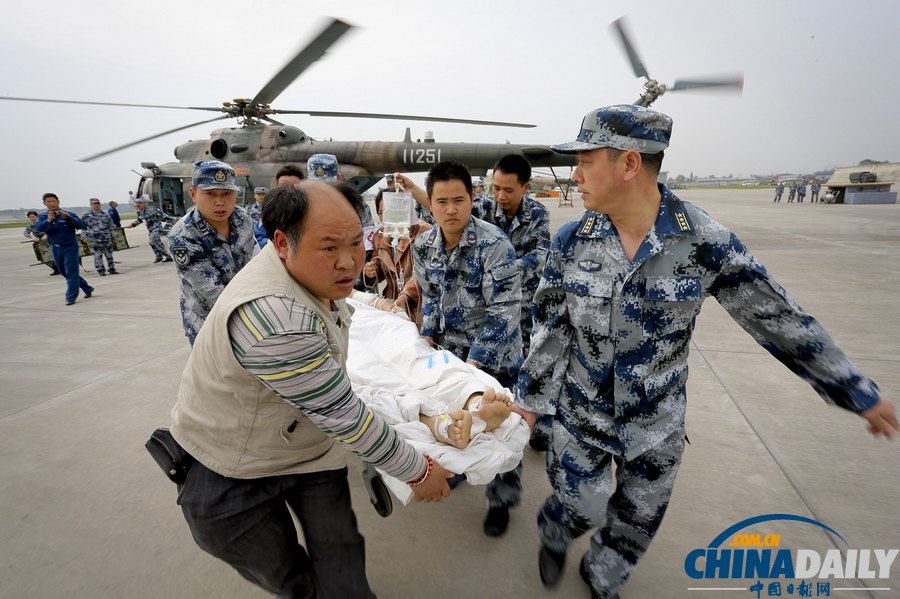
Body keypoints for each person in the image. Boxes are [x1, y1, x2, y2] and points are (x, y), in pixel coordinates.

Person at [512, 104, 899, 599]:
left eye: (587, 160)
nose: (576, 174)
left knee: (635, 525)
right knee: (580, 505)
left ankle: (602, 575)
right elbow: (550, 329)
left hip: (656, 426)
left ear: (629, 164)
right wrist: (527, 402)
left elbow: (779, 319)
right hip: (581, 415)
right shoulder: (570, 242)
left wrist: (855, 390)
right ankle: (556, 532)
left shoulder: (704, 242)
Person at [169, 181, 453, 599]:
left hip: (309, 449)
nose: (349, 262)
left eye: (357, 243)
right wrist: (418, 471)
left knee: (341, 554)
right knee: (290, 577)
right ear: (283, 243)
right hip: (233, 468)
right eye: (329, 248)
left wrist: (375, 304)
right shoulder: (274, 320)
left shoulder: (307, 272)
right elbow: (344, 415)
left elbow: (336, 374)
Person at [412, 160, 524, 537]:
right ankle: (463, 469)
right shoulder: (424, 245)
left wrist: (474, 365)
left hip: (496, 357)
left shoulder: (495, 245)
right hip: (451, 355)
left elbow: (505, 312)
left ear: (472, 198)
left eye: (458, 199)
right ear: (429, 202)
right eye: (441, 201)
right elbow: (428, 298)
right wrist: (426, 336)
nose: (450, 209)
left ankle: (501, 500)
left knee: (503, 429)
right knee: (460, 421)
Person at [167, 160, 256, 346]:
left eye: (227, 194)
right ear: (193, 194)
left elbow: (255, 261)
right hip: (208, 322)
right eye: (210, 194)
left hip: (247, 312)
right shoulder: (183, 236)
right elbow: (212, 291)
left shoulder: (242, 219)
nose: (220, 202)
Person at [360, 189, 431, 322]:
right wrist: (371, 271)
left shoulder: (423, 233)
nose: (386, 216)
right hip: (392, 305)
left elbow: (424, 274)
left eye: (390, 210)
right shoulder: (380, 236)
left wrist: (405, 296)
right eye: (381, 213)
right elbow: (380, 267)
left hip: (419, 308)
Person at [34, 193, 94, 305]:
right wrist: (48, 221)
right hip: (56, 248)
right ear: (45, 203)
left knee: (71, 272)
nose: (52, 203)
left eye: (54, 201)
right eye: (49, 202)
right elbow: (38, 229)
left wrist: (68, 218)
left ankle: (70, 297)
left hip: (70, 247)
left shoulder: (68, 214)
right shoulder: (43, 216)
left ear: (58, 201)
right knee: (63, 272)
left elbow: (82, 225)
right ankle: (87, 288)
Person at [127, 196, 176, 262]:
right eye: (136, 206)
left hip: (157, 228)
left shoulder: (151, 209)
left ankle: (169, 255)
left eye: (138, 205)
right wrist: (133, 224)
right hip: (150, 229)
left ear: (143, 203)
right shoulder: (139, 212)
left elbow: (162, 215)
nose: (137, 207)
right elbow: (140, 220)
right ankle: (159, 256)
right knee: (158, 243)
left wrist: (171, 220)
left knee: (152, 241)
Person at [82, 198, 118, 276]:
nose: (96, 205)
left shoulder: (106, 214)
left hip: (106, 238)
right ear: (91, 205)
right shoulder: (86, 216)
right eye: (94, 204)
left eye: (98, 204)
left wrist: (114, 235)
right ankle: (100, 269)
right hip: (94, 239)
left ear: (100, 204)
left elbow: (111, 226)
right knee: (97, 255)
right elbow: (84, 227)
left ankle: (112, 268)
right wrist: (84, 237)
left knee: (109, 254)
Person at [24, 210, 59, 275]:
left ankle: (60, 268)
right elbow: (25, 232)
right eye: (30, 217)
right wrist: (32, 236)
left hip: (49, 242)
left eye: (33, 217)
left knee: (53, 256)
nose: (32, 218)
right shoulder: (30, 226)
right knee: (43, 258)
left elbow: (52, 229)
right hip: (39, 244)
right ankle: (56, 269)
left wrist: (46, 235)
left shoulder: (42, 223)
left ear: (37, 217)